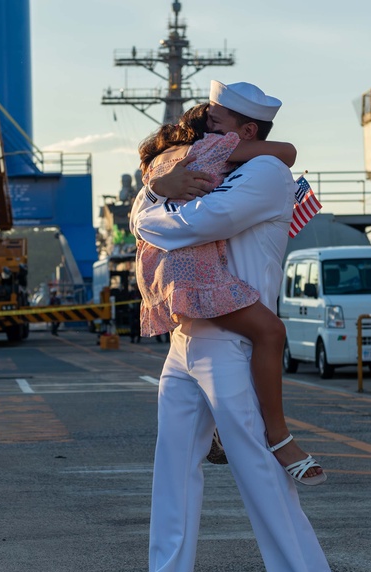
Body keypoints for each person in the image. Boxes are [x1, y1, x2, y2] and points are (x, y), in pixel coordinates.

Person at [99, 81, 342, 572]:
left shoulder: (264, 175)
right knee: (173, 467)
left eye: (214, 122)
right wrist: (156, 195)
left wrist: (148, 211)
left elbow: (197, 225)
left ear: (247, 130)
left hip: (232, 337)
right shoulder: (206, 161)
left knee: (255, 462)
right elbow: (154, 196)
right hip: (186, 335)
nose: (201, 129)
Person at [135, 102, 322, 483]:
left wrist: (153, 192)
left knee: (176, 463)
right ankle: (278, 434)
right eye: (215, 125)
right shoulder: (208, 149)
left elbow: (143, 211)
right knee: (270, 332)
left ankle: (224, 431)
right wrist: (229, 142)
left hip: (160, 275)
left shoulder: (159, 163)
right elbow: (287, 152)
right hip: (194, 272)